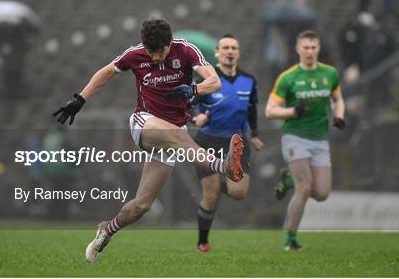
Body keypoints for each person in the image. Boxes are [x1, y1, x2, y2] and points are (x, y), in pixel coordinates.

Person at [52, 19, 244, 262]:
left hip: (173, 133)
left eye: (160, 52)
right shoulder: (135, 55)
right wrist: (80, 99)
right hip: (145, 123)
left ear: (170, 42)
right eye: (150, 52)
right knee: (177, 135)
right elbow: (106, 72)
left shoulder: (186, 50)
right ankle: (224, 166)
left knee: (141, 206)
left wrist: (194, 90)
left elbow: (214, 81)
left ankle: (107, 229)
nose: (155, 57)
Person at [265, 30, 345, 251]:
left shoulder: (330, 74)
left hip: (320, 139)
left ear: (318, 49)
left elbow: (338, 100)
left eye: (313, 47)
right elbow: (270, 111)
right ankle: (290, 239)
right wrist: (292, 111)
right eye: (305, 47)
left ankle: (288, 178)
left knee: (321, 193)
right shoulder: (288, 77)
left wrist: (339, 116)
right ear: (298, 49)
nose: (309, 51)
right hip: (295, 137)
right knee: (305, 187)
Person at [192, 34, 264, 252]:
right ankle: (202, 242)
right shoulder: (207, 80)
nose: (230, 51)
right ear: (217, 53)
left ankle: (220, 182)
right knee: (211, 196)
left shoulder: (249, 81)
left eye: (234, 47)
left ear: (238, 53)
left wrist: (255, 134)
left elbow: (251, 110)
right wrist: (196, 118)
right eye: (225, 48)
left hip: (237, 142)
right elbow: (187, 105)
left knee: (238, 193)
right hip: (208, 141)